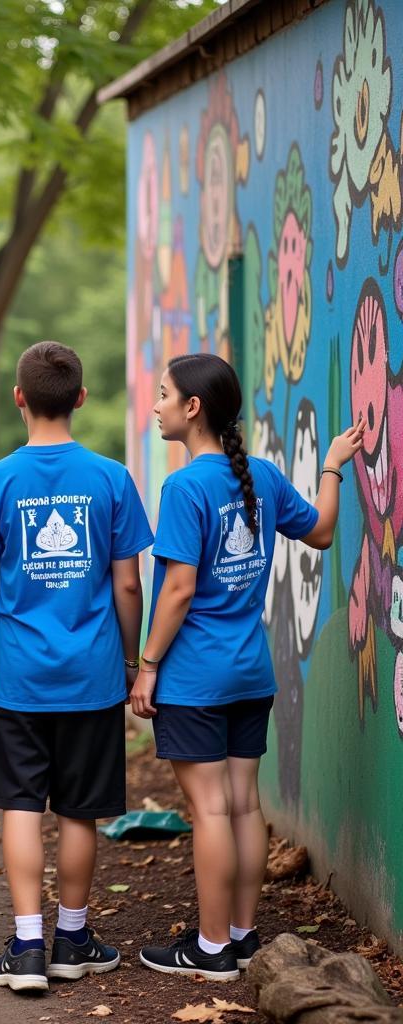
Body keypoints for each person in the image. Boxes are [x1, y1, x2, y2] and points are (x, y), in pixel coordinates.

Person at [130, 353, 364, 980]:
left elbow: (177, 590)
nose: (155, 406)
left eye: (162, 395)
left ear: (193, 407)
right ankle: (241, 933)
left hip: (195, 678)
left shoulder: (184, 488)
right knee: (241, 806)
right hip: (249, 674)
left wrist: (148, 665)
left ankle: (210, 951)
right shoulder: (259, 474)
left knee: (209, 811)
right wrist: (332, 468)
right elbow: (318, 531)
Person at [0, 341, 154, 993]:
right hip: (92, 674)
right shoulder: (111, 478)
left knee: (18, 805)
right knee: (78, 811)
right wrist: (130, 659)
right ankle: (73, 938)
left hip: (19, 676)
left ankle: (27, 946)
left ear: (20, 399)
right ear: (81, 398)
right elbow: (128, 586)